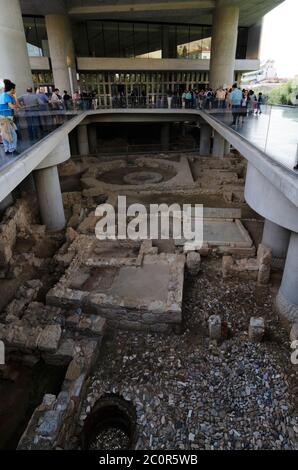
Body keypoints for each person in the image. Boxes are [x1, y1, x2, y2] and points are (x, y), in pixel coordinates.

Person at [0, 80, 19, 155]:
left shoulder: (3, 95)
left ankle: (7, 149)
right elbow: (12, 106)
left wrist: (15, 97)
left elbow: (17, 105)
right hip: (5, 118)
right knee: (12, 134)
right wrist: (16, 106)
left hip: (4, 118)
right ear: (12, 89)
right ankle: (12, 149)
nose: (15, 90)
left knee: (5, 133)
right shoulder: (6, 96)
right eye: (15, 89)